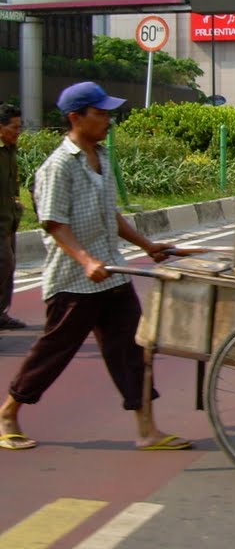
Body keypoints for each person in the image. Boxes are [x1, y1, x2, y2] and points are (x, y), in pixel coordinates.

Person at [0, 82, 190, 452]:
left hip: (112, 273)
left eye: (107, 113)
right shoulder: (58, 166)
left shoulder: (100, 157)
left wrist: (147, 246)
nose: (107, 120)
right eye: (99, 113)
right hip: (74, 279)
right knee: (55, 350)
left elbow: (110, 215)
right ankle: (8, 412)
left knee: (133, 349)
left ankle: (147, 429)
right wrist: (86, 260)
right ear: (76, 118)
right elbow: (54, 222)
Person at [0, 103, 26, 331]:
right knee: (4, 264)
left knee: (9, 267)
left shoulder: (11, 149)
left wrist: (16, 201)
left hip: (9, 219)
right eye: (14, 128)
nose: (18, 132)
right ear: (1, 128)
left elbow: (11, 180)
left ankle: (1, 314)